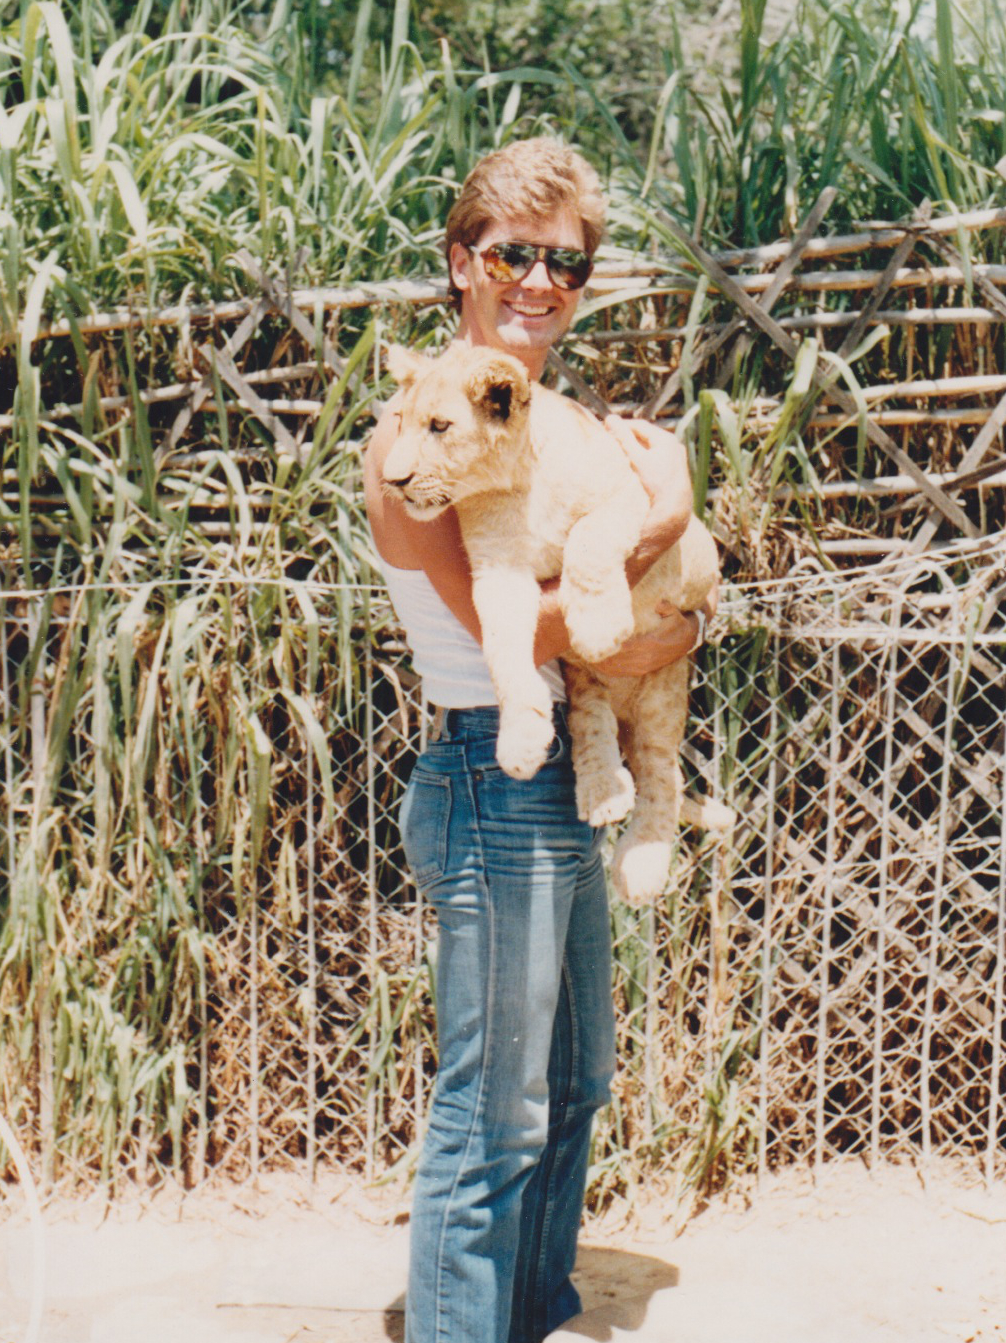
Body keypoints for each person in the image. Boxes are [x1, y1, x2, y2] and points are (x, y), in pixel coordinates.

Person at [363, 138, 716, 1343]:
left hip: (563, 770)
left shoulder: (549, 418)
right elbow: (515, 622)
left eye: (565, 261)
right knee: (494, 1107)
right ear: (462, 260)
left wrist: (666, 592)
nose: (539, 281)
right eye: (513, 253)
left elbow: (625, 609)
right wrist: (662, 514)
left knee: (573, 1089)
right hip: (485, 767)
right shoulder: (420, 428)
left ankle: (527, 1315)